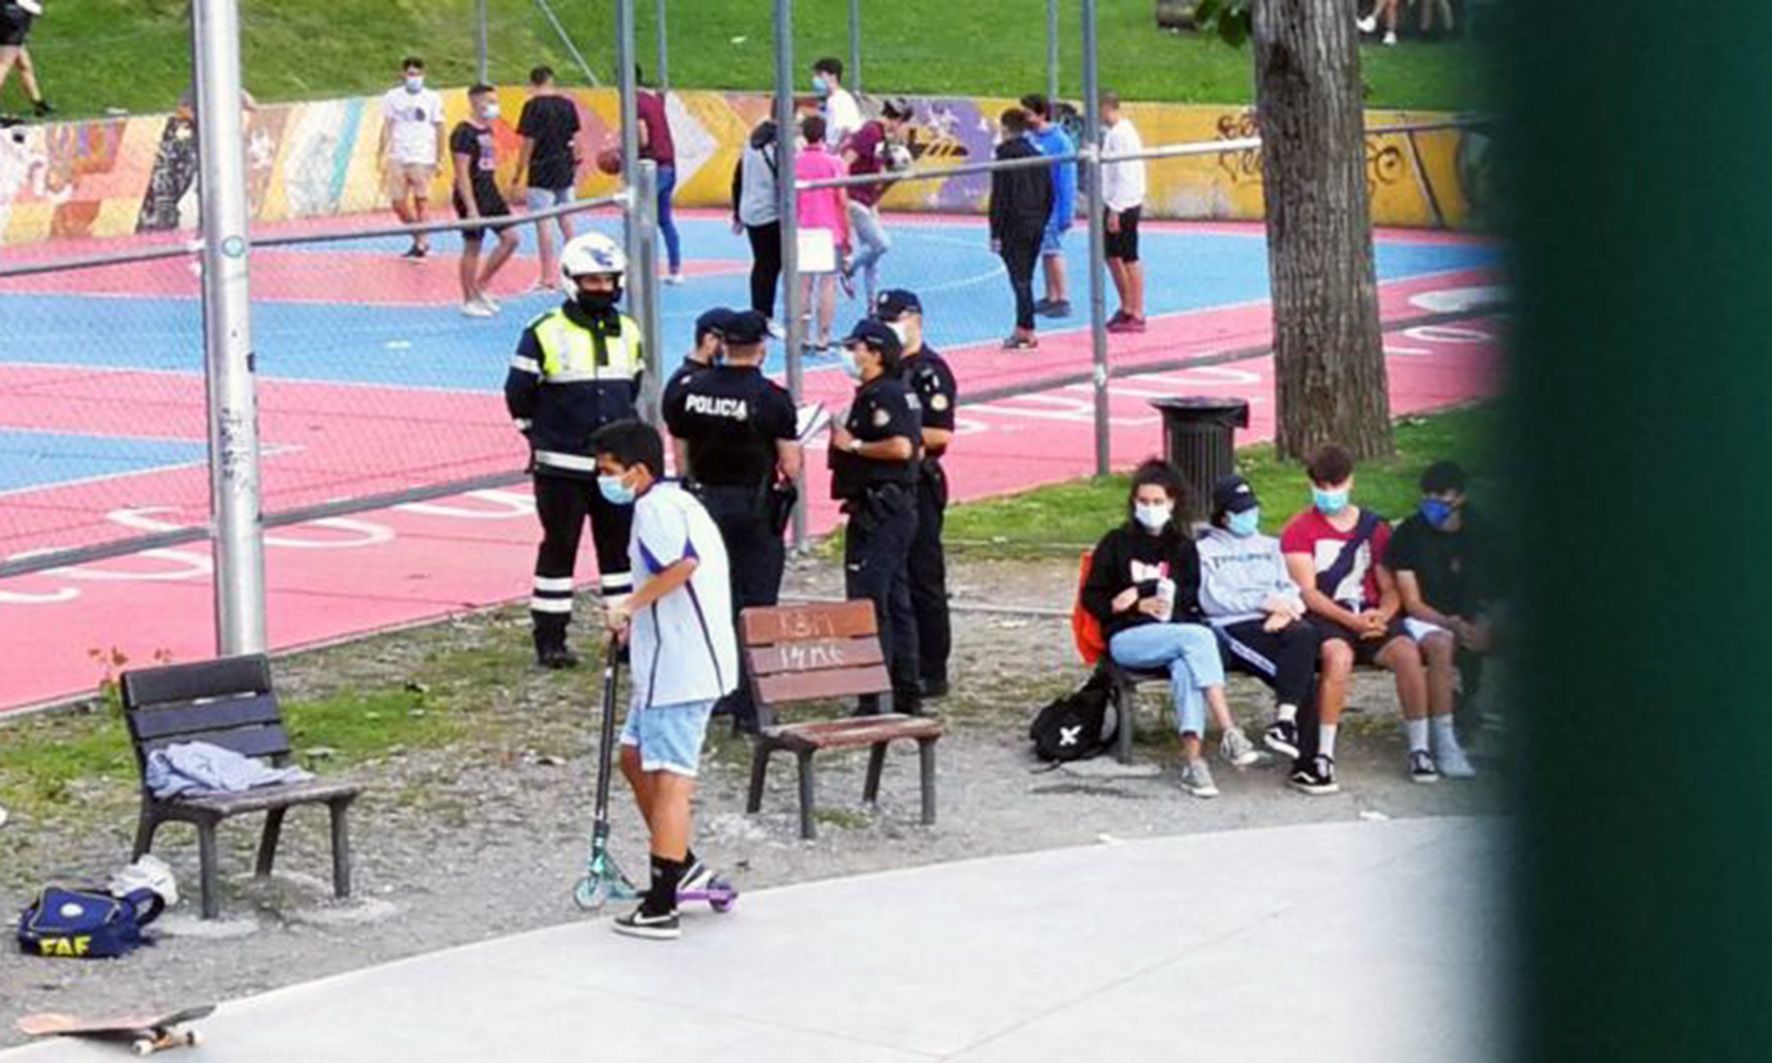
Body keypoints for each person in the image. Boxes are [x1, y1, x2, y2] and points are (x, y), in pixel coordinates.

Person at [593, 419, 736, 940]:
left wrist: (628, 604)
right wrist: (638, 621)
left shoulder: (656, 510)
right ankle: (684, 862)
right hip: (662, 665)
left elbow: (682, 567)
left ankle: (661, 903)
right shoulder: (671, 501)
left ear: (638, 470)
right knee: (633, 759)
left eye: (608, 471)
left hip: (682, 669)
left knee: (673, 776)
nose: (602, 480)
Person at [504, 232, 646, 669]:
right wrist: (544, 439)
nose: (602, 289)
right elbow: (519, 394)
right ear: (571, 281)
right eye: (592, 281)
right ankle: (550, 639)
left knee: (618, 553)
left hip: (614, 471)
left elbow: (632, 389)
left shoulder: (628, 330)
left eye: (609, 280)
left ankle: (624, 637)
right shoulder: (544, 331)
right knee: (559, 549)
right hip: (561, 467)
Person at [1081, 460, 1264, 799]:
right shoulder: (1116, 542)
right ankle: (1229, 730)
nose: (1149, 508)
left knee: (1187, 667)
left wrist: (1146, 592)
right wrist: (1136, 604)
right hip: (1128, 636)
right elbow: (1094, 597)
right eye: (1143, 501)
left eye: (1157, 502)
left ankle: (1194, 764)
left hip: (1174, 635)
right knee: (1200, 637)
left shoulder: (1182, 547)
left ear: (1172, 502)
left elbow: (1190, 598)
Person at [1281, 444, 1449, 792]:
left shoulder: (1375, 529)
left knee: (1406, 652)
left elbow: (1390, 587)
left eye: (1335, 485)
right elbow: (1308, 592)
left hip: (1370, 613)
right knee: (1337, 658)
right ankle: (1324, 754)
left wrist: (1381, 615)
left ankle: (1420, 748)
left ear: (1350, 482)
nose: (1329, 494)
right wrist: (1350, 620)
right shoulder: (1299, 529)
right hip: (1327, 616)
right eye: (1322, 487)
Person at [664, 310, 802, 733]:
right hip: (754, 507)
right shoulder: (771, 399)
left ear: (724, 345)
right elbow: (791, 465)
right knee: (757, 601)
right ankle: (752, 704)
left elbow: (680, 452)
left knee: (712, 600)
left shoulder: (689, 391)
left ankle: (715, 690)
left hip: (704, 502)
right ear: (761, 348)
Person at [1196, 474, 1325, 770]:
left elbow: (1288, 586)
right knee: (1301, 677)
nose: (1249, 516)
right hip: (1233, 626)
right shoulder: (1205, 552)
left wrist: (1287, 608)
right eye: (1240, 512)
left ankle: (1284, 722)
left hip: (1277, 620)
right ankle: (1307, 761)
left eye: (1251, 509)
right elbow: (1212, 599)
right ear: (1224, 516)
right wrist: (1260, 604)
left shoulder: (1269, 545)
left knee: (1306, 634)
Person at [828, 319, 923, 716]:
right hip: (891, 507)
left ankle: (875, 694)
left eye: (857, 348)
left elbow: (902, 448)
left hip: (879, 509)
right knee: (896, 600)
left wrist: (856, 445)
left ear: (876, 353)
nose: (851, 355)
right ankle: (904, 689)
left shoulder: (884, 395)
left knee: (870, 600)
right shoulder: (886, 392)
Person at [875, 289, 957, 699]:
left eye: (894, 318)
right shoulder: (884, 368)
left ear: (916, 319)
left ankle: (931, 666)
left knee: (924, 574)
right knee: (893, 576)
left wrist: (893, 435)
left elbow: (940, 434)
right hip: (886, 481)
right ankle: (898, 661)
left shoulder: (929, 371)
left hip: (918, 480)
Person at [1387, 460, 1492, 766]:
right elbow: (1412, 600)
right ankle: (1445, 736)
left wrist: (1486, 624)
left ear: (1459, 498)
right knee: (1442, 641)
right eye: (1427, 497)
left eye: (1441, 497)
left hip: (1477, 615)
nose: (1432, 505)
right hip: (1427, 619)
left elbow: (1501, 589)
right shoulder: (1410, 534)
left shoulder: (1482, 532)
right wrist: (1451, 623)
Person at [451, 84, 520, 317]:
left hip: (490, 192)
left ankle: (480, 285)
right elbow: (462, 173)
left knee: (511, 238)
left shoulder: (487, 130)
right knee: (473, 246)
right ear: (474, 102)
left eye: (495, 100)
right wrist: (471, 208)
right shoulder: (463, 133)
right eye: (488, 101)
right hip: (472, 194)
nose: (493, 105)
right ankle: (468, 298)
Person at [513, 66, 583, 292]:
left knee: (543, 224)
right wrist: (575, 162)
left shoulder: (532, 107)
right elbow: (577, 139)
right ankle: (578, 271)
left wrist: (518, 173)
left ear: (533, 83)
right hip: (564, 167)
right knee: (567, 222)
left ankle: (547, 277)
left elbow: (528, 143)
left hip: (541, 169)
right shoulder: (567, 104)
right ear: (551, 81)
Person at [839, 97, 913, 306]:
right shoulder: (871, 132)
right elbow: (845, 161)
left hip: (867, 200)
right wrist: (843, 197)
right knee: (881, 244)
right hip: (855, 198)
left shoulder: (881, 138)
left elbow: (877, 176)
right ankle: (848, 267)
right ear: (897, 120)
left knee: (873, 257)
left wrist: (894, 175)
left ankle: (873, 305)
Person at [988, 107, 1052, 351]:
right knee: (1025, 276)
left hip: (1014, 226)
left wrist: (996, 232)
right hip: (1035, 222)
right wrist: (1042, 219)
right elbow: (1049, 193)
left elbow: (1000, 199)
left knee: (1020, 280)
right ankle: (1024, 327)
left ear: (1005, 128)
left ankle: (1025, 329)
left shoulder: (1005, 158)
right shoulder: (1037, 155)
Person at [379, 57, 445, 260]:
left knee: (421, 200)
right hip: (398, 154)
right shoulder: (392, 97)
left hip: (422, 155)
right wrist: (381, 151)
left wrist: (439, 157)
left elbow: (440, 127)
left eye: (417, 74)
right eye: (410, 74)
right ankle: (419, 235)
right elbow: (387, 124)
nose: (414, 78)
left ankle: (421, 244)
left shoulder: (432, 98)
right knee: (398, 202)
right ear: (403, 75)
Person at [795, 114, 849, 352]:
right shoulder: (834, 163)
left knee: (804, 285)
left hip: (804, 227)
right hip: (829, 230)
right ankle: (823, 336)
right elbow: (842, 201)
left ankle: (803, 335)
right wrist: (847, 235)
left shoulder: (795, 162)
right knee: (828, 285)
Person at [1020, 94, 1077, 319]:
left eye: (1028, 113)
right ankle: (1051, 295)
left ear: (1041, 114)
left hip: (1051, 204)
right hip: (1035, 203)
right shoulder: (1030, 137)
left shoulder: (1060, 141)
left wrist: (1066, 211)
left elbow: (1066, 179)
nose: (1025, 117)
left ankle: (1063, 297)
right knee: (1045, 250)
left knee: (1053, 250)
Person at [1100, 91, 1148, 333]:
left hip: (1124, 203)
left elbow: (1125, 173)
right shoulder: (1116, 133)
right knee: (1113, 255)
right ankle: (1127, 305)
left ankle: (1136, 310)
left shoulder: (1121, 135)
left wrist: (1116, 210)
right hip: (1118, 201)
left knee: (1128, 256)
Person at [730, 115, 782, 323]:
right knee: (771, 264)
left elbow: (737, 179)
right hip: (770, 212)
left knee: (762, 263)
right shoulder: (775, 149)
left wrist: (737, 213)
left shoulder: (749, 148)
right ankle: (764, 314)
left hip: (750, 211)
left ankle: (760, 311)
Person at [634, 65, 683, 285]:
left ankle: (641, 269)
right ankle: (675, 269)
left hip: (651, 166)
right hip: (668, 164)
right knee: (664, 219)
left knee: (641, 217)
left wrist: (623, 150)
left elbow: (642, 138)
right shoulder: (653, 100)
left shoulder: (634, 102)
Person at [0, 0, 49, 118]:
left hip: (7, 15)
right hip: (13, 20)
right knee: (4, 65)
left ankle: (38, 102)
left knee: (24, 64)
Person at [810, 57, 862, 147]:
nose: (815, 79)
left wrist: (832, 151)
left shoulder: (839, 100)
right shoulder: (832, 99)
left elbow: (845, 130)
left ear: (832, 76)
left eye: (819, 75)